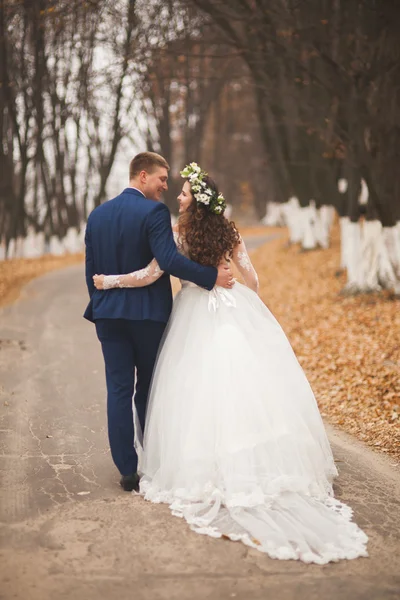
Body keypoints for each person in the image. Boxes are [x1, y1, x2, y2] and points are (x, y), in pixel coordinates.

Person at [93, 162, 368, 564]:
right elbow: (252, 280)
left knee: (194, 385)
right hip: (230, 305)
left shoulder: (177, 232)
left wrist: (109, 281)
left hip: (192, 311)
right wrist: (235, 289)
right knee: (243, 382)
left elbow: (153, 273)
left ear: (196, 199)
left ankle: (191, 463)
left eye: (184, 191)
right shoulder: (230, 231)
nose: (178, 195)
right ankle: (255, 459)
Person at [84, 153, 234, 492]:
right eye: (161, 179)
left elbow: (90, 271)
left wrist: (100, 305)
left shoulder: (97, 216)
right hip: (148, 316)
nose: (165, 186)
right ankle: (151, 457)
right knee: (149, 387)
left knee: (118, 390)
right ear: (141, 176)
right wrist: (210, 276)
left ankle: (127, 468)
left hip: (108, 315)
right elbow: (166, 261)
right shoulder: (153, 212)